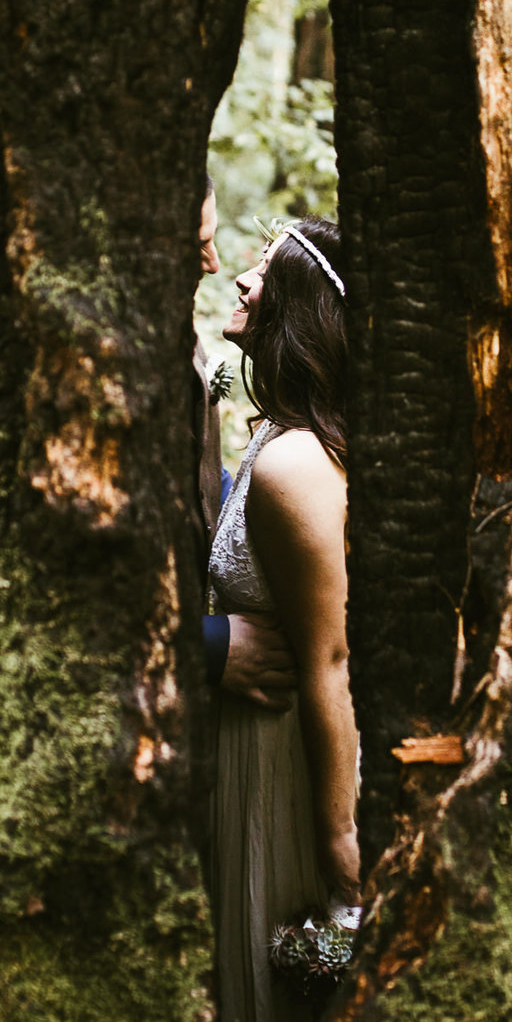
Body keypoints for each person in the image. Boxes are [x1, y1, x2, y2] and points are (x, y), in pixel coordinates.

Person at [207, 216, 360, 1022]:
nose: (241, 283)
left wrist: (339, 836)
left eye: (262, 272)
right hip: (255, 737)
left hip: (288, 760)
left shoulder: (296, 464)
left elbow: (329, 661)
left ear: (298, 306)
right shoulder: (277, 437)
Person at [195, 180, 295, 712]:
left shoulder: (298, 456)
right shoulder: (269, 432)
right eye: (197, 244)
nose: (218, 268)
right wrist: (206, 648)